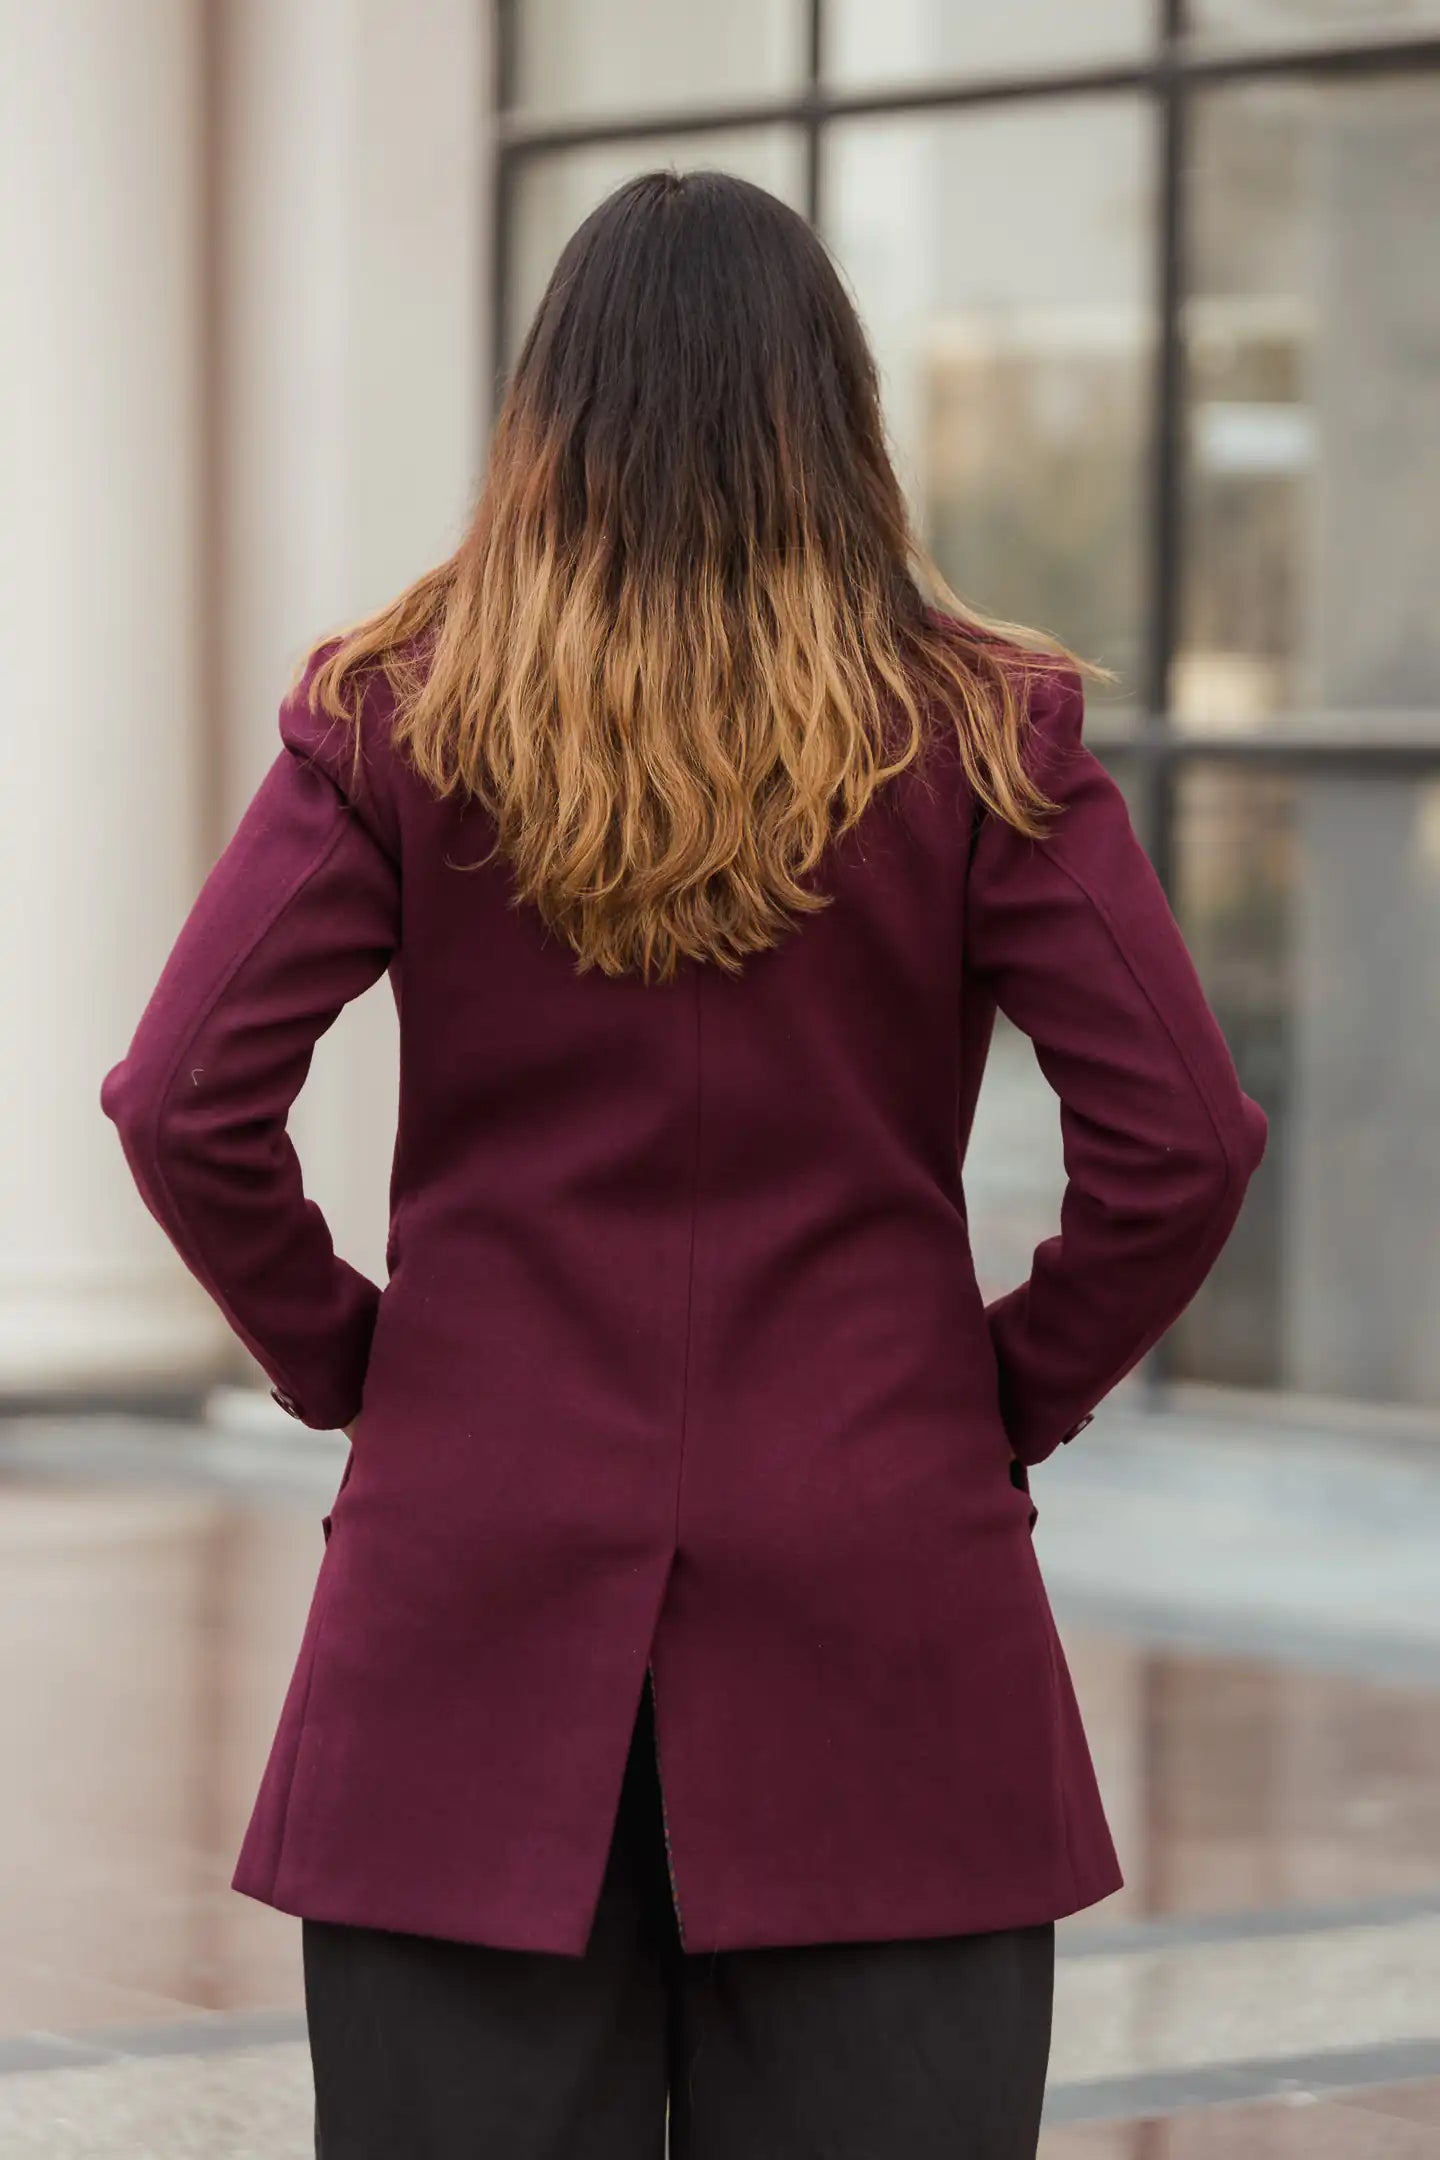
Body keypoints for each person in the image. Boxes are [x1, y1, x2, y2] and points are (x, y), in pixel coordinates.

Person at [100, 169, 1267, 2158]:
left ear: (545, 416)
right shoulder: (985, 735)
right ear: (841, 418)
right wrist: (991, 1398)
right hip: (888, 1602)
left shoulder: (394, 721)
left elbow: (183, 1098)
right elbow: (1184, 1143)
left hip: (465, 1605)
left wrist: (366, 1367)